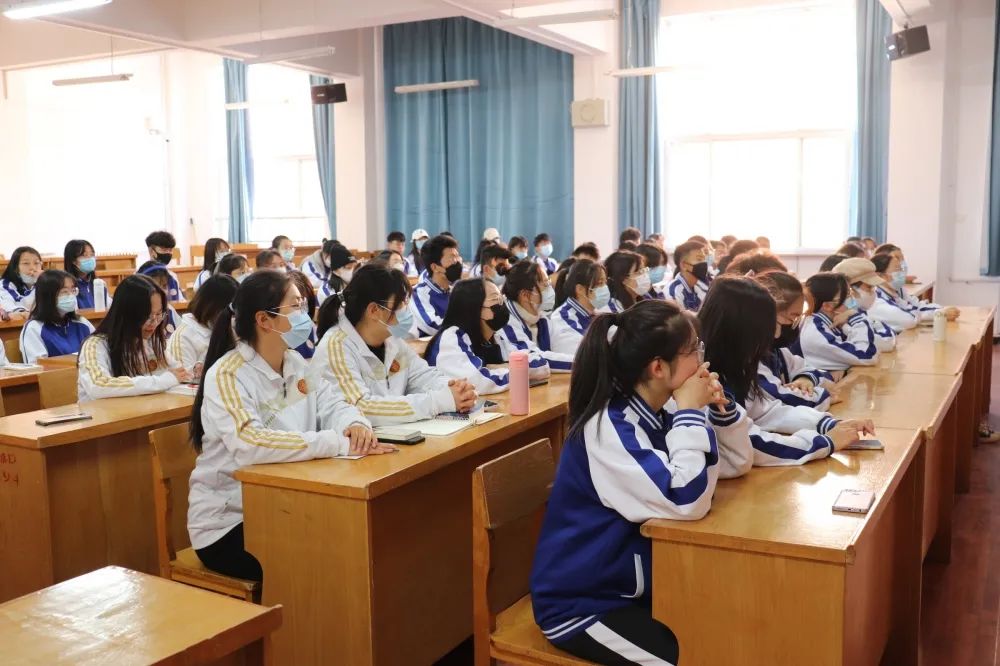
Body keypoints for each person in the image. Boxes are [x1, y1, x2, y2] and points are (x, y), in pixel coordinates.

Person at [530, 299, 740, 664]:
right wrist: (691, 414)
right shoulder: (609, 427)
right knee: (690, 657)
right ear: (658, 367)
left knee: (730, 635)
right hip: (584, 605)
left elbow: (734, 464)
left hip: (638, 589)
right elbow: (686, 499)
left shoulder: (661, 410)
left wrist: (716, 412)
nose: (702, 361)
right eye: (694, 350)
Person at [187, 270, 389, 582]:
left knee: (359, 537)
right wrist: (337, 442)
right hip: (229, 522)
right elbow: (251, 443)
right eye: (295, 307)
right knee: (328, 556)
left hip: (287, 502)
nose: (305, 314)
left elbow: (334, 403)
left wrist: (354, 423)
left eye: (304, 305)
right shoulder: (227, 375)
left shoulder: (295, 363)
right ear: (264, 320)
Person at [700, 276, 871, 467]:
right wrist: (825, 442)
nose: (776, 335)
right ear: (739, 330)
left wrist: (829, 424)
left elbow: (766, 412)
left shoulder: (733, 364)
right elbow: (747, 442)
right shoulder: (705, 379)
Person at [313, 264, 478, 425]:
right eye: (400, 305)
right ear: (374, 310)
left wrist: (456, 390)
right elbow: (360, 407)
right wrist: (438, 402)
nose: (406, 310)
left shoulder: (392, 340)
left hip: (398, 434)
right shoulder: (336, 347)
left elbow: (423, 376)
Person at [77, 275, 192, 402]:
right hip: (102, 413)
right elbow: (99, 386)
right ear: (127, 314)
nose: (154, 322)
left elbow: (176, 373)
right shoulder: (95, 345)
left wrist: (192, 373)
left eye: (159, 314)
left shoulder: (151, 342)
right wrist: (164, 380)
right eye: (147, 316)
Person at [425, 278, 549, 394]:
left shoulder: (494, 338)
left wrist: (503, 368)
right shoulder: (451, 338)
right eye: (496, 300)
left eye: (501, 298)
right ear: (474, 308)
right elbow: (480, 382)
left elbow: (541, 364)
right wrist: (518, 370)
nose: (502, 304)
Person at [754, 272, 837, 410]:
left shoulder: (778, 352)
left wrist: (806, 379)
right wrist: (823, 396)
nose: (793, 325)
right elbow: (782, 398)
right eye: (792, 318)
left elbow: (821, 373)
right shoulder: (749, 359)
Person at [499, 261, 573, 372]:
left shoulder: (540, 317)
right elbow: (533, 358)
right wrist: (580, 362)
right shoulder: (506, 321)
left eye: (549, 282)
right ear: (525, 295)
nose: (551, 290)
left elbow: (560, 345)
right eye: (545, 285)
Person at [798, 272, 880, 371]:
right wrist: (855, 317)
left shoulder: (835, 321)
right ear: (827, 306)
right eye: (847, 295)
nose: (852, 299)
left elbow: (875, 347)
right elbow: (868, 355)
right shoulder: (816, 332)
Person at [169, 275, 238, 378]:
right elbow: (184, 381)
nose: (233, 316)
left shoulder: (227, 325)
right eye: (230, 311)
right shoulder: (183, 336)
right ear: (212, 307)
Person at [19, 270, 95, 363]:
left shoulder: (82, 322)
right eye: (64, 291)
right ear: (48, 296)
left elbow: (98, 351)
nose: (71, 296)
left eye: (73, 290)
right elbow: (37, 366)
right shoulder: (34, 328)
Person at [831, 258, 897, 352]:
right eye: (869, 287)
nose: (873, 292)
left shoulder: (859, 312)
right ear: (849, 289)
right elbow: (885, 343)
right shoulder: (840, 320)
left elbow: (889, 336)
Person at [549, 259, 608, 356]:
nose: (605, 288)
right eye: (600, 283)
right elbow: (584, 356)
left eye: (605, 282)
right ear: (580, 289)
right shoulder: (563, 319)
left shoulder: (593, 313)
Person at [409, 234, 463, 337]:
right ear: (435, 267)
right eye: (452, 257)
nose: (458, 262)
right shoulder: (417, 294)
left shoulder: (455, 292)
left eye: (457, 256)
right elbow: (433, 326)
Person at [64, 239, 111, 310]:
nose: (90, 258)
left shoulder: (99, 283)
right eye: (85, 255)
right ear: (73, 260)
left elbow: (109, 308)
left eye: (92, 255)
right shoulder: (67, 286)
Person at [664, 241, 710, 312]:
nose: (704, 263)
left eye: (704, 259)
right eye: (699, 259)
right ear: (683, 265)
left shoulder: (700, 285)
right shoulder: (673, 291)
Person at [137, 262, 181, 335]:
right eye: (155, 287)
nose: (162, 291)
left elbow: (181, 334)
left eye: (164, 286)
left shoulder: (170, 311)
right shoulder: (137, 315)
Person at [0, 246, 42, 314]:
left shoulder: (45, 281)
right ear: (15, 268)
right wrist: (41, 284)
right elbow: (19, 308)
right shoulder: (4, 285)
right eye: (26, 263)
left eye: (36, 263)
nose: (33, 268)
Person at [144, 230, 184, 302]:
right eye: (164, 250)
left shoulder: (172, 276)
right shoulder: (141, 275)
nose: (168, 253)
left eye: (170, 250)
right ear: (151, 251)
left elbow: (179, 301)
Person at [287, 271, 319, 359]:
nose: (301, 309)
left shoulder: (311, 327)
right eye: (295, 305)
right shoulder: (281, 337)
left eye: (305, 304)